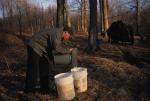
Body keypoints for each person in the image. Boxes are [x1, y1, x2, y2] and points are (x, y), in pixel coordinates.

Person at [25, 27, 77, 93]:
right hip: (34, 46)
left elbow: (50, 46)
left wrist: (50, 57)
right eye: (69, 36)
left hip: (42, 49)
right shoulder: (57, 33)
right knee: (33, 68)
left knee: (45, 68)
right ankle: (29, 90)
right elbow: (57, 48)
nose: (68, 38)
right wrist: (68, 51)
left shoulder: (59, 35)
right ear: (66, 32)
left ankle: (45, 90)